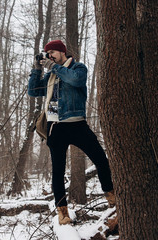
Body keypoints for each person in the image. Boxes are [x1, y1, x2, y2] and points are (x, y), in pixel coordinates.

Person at [28, 40, 115, 225]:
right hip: (55, 127)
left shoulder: (78, 67)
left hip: (77, 124)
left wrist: (53, 67)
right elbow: (34, 91)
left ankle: (112, 197)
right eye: (47, 53)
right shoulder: (51, 73)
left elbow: (76, 80)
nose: (49, 56)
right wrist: (37, 69)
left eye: (52, 52)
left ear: (62, 52)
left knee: (100, 159)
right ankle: (63, 212)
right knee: (58, 172)